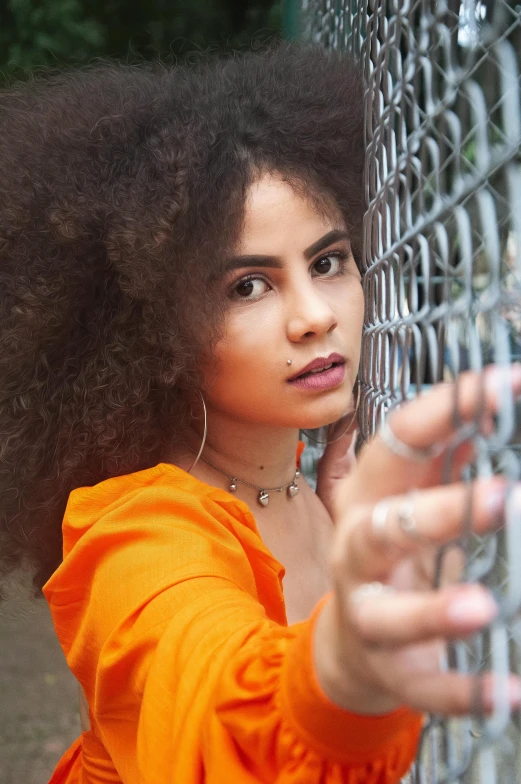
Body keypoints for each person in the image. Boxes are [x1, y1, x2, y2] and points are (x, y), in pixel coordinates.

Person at [0, 44, 519, 784]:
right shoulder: (135, 533)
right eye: (248, 286)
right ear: (152, 328)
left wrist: (342, 534)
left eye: (329, 261)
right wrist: (337, 674)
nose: (314, 317)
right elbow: (208, 691)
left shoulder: (306, 488)